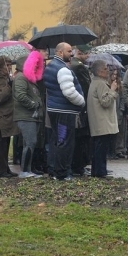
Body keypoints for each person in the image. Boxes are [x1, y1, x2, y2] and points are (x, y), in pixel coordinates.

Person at [43, 43, 85, 181]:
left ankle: (54, 170)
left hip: (54, 109)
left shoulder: (50, 66)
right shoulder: (62, 69)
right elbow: (69, 92)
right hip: (64, 112)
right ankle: (62, 173)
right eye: (68, 51)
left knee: (57, 140)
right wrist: (81, 101)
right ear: (60, 52)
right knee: (64, 142)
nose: (71, 53)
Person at [0, 56, 20, 178]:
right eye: (7, 65)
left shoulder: (4, 78)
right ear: (0, 66)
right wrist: (8, 87)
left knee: (5, 142)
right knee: (1, 144)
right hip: (0, 117)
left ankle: (5, 168)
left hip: (6, 115)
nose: (9, 67)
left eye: (10, 64)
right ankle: (0, 170)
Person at [87, 60, 119, 178]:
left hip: (98, 121)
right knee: (101, 148)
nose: (108, 71)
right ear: (100, 71)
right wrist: (112, 90)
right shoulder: (100, 84)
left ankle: (97, 171)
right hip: (102, 121)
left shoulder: (94, 82)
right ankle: (100, 171)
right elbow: (105, 102)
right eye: (105, 69)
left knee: (98, 147)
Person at [12, 55, 43, 178]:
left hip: (31, 116)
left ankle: (28, 170)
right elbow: (20, 95)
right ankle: (25, 171)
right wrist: (33, 105)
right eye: (34, 64)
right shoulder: (21, 77)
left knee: (30, 143)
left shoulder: (28, 78)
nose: (36, 66)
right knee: (30, 142)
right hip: (26, 116)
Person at [70, 45, 93, 176]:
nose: (88, 56)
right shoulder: (79, 67)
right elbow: (86, 88)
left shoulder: (72, 65)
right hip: (81, 107)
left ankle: (78, 165)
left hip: (76, 107)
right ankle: (79, 166)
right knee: (81, 138)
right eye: (86, 53)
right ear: (79, 53)